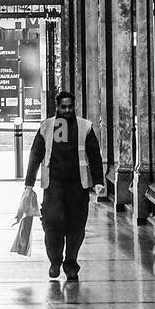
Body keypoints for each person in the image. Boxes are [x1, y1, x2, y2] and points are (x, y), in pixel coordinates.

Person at [24, 90, 104, 286]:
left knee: (76, 228)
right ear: (57, 107)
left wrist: (99, 181)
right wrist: (29, 182)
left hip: (78, 186)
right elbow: (36, 154)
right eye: (63, 107)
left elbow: (94, 154)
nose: (67, 110)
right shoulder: (47, 126)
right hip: (54, 186)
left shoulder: (85, 127)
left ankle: (71, 264)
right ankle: (55, 261)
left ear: (74, 106)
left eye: (70, 107)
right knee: (52, 226)